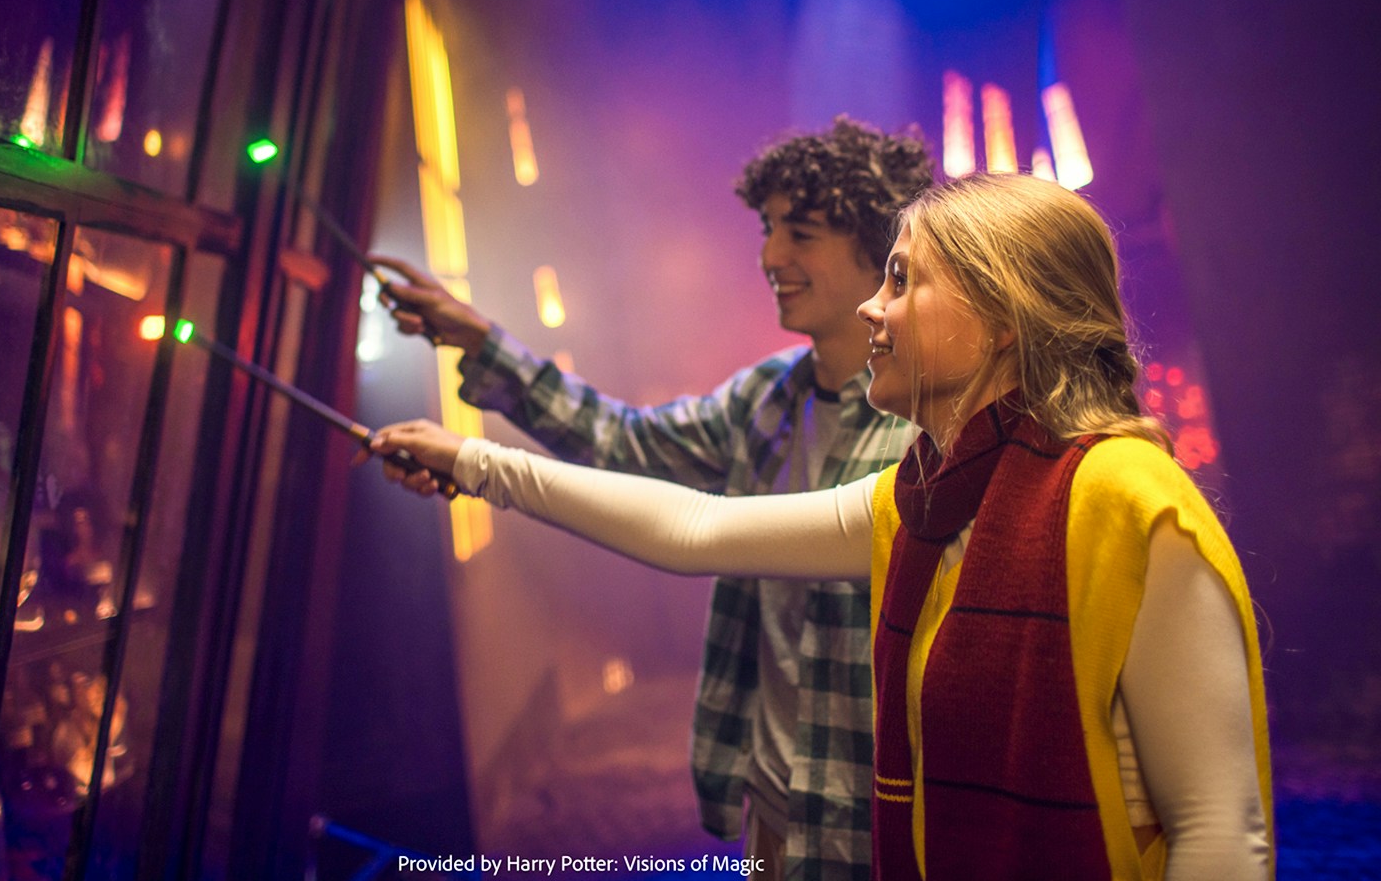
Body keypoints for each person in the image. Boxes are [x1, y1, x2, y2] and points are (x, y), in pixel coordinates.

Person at [368, 173, 1274, 881]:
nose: (874, 306)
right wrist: (475, 464)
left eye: (902, 279)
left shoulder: (1126, 497)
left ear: (1001, 319)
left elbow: (1220, 834)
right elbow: (695, 530)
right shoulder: (928, 495)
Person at [372, 117, 932, 878]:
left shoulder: (924, 429)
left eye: (800, 234)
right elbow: (625, 443)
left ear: (877, 248)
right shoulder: (768, 395)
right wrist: (480, 344)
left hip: (877, 824)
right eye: (768, 230)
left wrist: (477, 465)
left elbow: (694, 531)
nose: (771, 257)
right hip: (775, 803)